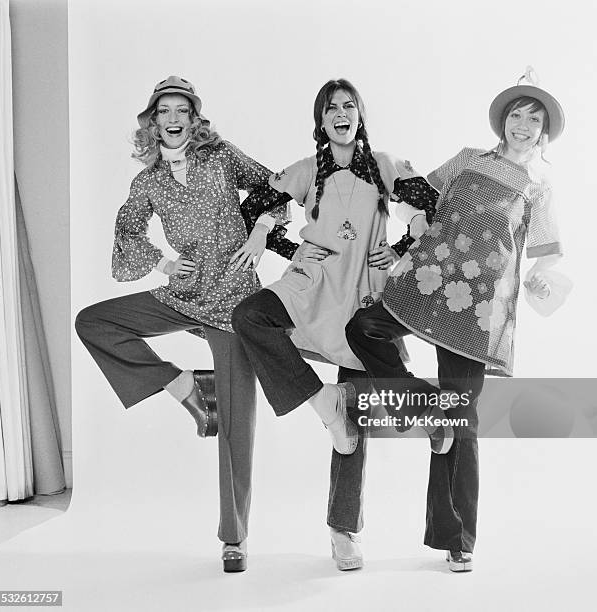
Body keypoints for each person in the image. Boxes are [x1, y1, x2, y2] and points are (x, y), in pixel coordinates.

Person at [345, 68, 565, 572]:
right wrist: (417, 218)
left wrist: (540, 280)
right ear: (503, 121)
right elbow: (415, 194)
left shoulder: (538, 186)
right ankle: (423, 408)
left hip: (481, 308)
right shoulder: (468, 160)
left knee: (461, 419)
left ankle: (457, 537)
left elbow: (546, 254)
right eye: (517, 114)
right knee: (363, 328)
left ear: (545, 130)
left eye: (535, 119)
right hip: (428, 281)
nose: (524, 125)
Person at [74, 76, 290, 573]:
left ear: (194, 120)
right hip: (184, 296)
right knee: (95, 322)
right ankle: (186, 385)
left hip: (237, 304)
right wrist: (164, 264)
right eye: (163, 111)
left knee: (237, 424)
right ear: (152, 122)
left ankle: (233, 538)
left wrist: (260, 230)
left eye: (182, 111)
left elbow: (274, 186)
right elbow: (127, 230)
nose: (172, 119)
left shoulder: (220, 158)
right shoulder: (148, 181)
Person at [231, 78, 439, 570]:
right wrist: (278, 239)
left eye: (348, 106)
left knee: (356, 417)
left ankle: (343, 530)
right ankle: (319, 400)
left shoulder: (383, 165)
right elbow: (251, 207)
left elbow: (429, 202)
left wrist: (405, 245)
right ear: (321, 122)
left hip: (363, 290)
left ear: (359, 116)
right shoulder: (307, 172)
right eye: (331, 108)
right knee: (250, 316)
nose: (340, 114)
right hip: (312, 282)